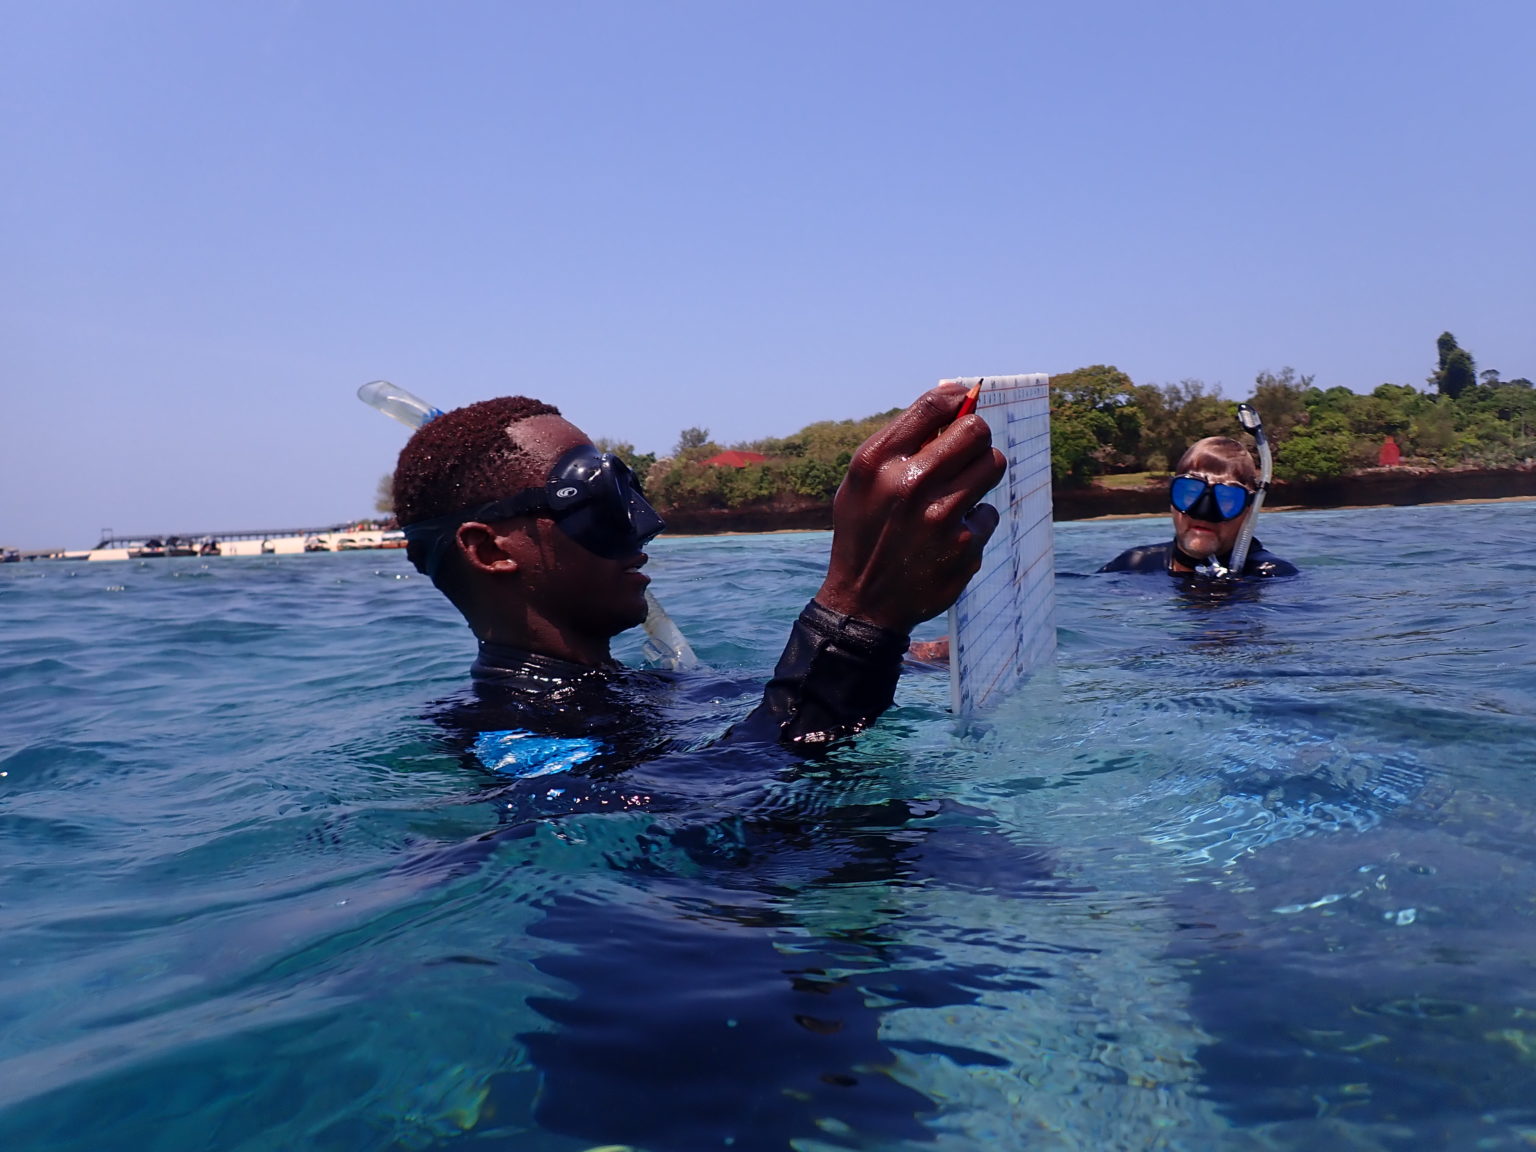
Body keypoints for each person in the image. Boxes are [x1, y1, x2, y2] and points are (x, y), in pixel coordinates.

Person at [392, 382, 1007, 763]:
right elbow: (718, 847)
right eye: (600, 503)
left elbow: (769, 710)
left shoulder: (638, 688)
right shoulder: (516, 737)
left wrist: (905, 652)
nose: (644, 525)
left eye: (630, 491)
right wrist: (859, 619)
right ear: (490, 551)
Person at [1098, 436, 1298, 577]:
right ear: (1172, 497)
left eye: (1225, 498)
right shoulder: (1134, 565)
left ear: (1249, 508)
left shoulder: (1270, 576)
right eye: (1190, 493)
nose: (1203, 512)